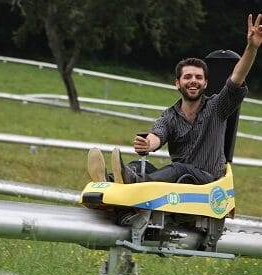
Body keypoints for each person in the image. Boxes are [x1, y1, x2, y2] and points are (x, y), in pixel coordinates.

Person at [87, 14, 262, 184]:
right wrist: (147, 143)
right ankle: (109, 181)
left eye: (198, 77)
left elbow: (236, 78)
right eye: (188, 77)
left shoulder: (217, 107)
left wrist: (251, 48)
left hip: (207, 181)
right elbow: (157, 135)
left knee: (177, 168)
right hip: (180, 182)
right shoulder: (170, 115)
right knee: (139, 165)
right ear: (177, 83)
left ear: (205, 83)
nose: (193, 81)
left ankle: (131, 182)